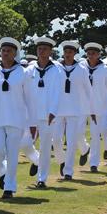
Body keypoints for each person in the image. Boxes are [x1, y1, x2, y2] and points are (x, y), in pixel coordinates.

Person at [0, 37, 30, 198]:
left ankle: (9, 187)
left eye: (9, 51)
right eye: (3, 51)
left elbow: (30, 98)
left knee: (13, 154)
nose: (5, 54)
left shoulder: (24, 72)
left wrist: (31, 121)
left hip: (16, 118)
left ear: (15, 54)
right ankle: (3, 172)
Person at [25, 37, 62, 188]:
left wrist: (53, 111)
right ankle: (36, 160)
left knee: (46, 146)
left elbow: (58, 92)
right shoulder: (29, 69)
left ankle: (42, 178)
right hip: (31, 114)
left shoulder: (56, 69)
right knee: (25, 144)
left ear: (50, 51)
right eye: (39, 48)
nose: (41, 51)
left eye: (45, 49)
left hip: (48, 114)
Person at [52, 41, 92, 180]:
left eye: (70, 52)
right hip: (58, 109)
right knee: (56, 140)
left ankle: (68, 171)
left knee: (71, 141)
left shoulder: (81, 69)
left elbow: (88, 90)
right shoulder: (56, 67)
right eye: (66, 51)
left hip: (75, 110)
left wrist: (91, 109)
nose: (68, 54)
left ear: (75, 53)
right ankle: (61, 161)